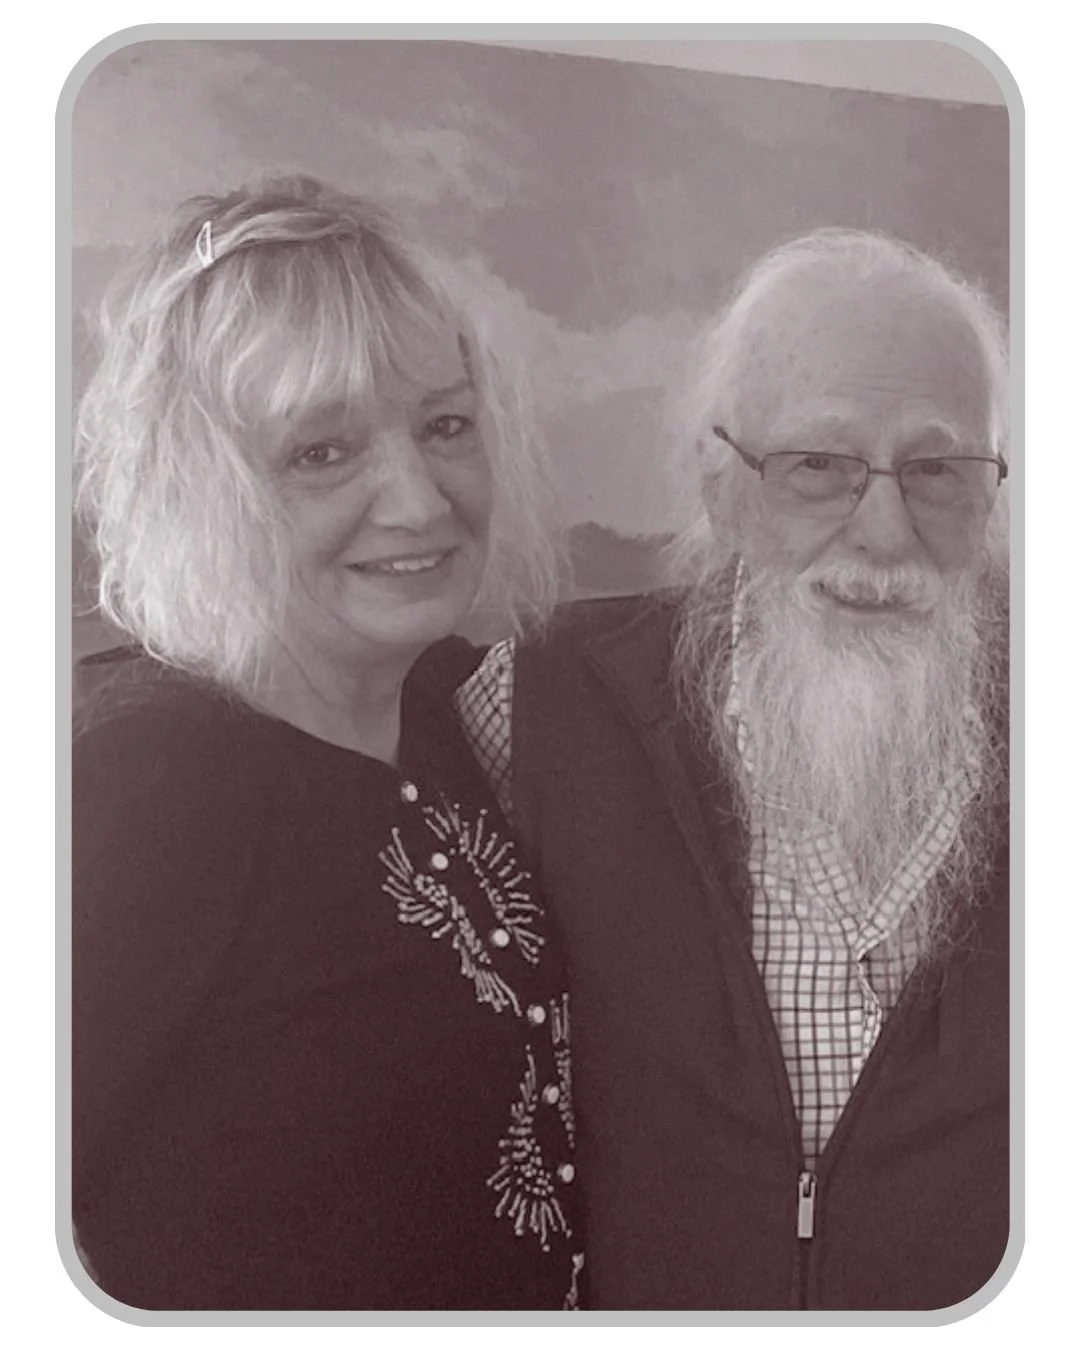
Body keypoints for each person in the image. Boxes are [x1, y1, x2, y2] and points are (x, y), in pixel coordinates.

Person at [458, 228, 1011, 1310]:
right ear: (723, 488)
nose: (885, 532)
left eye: (937, 469)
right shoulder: (539, 705)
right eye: (819, 464)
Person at [72, 177, 584, 1311]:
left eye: (445, 426)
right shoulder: (138, 787)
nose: (416, 500)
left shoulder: (451, 708)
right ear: (198, 490)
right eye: (321, 452)